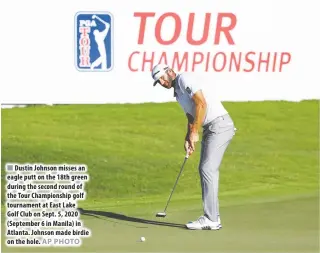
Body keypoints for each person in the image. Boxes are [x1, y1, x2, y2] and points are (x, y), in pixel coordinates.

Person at [151, 64, 236, 230]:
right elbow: (191, 116)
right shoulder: (177, 94)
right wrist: (189, 137)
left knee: (207, 169)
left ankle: (211, 219)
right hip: (211, 128)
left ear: (169, 72)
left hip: (220, 126)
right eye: (158, 81)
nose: (161, 82)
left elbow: (201, 104)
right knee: (206, 169)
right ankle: (213, 215)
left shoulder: (184, 79)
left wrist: (195, 132)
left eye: (162, 78)